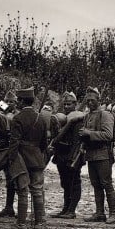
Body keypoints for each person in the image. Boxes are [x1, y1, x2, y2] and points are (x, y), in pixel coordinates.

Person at [7, 87, 48, 229]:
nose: (17, 102)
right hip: (37, 158)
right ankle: (39, 222)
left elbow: (14, 142)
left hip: (21, 158)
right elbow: (44, 143)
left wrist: (11, 159)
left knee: (23, 190)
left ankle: (21, 223)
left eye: (18, 100)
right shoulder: (41, 117)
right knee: (37, 190)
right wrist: (38, 153)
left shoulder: (17, 118)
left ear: (23, 101)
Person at [78, 86, 115, 224]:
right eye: (87, 100)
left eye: (92, 100)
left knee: (107, 184)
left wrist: (89, 134)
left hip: (103, 154)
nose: (89, 103)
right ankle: (100, 213)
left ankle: (113, 214)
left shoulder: (105, 115)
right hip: (91, 154)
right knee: (96, 185)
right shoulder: (88, 115)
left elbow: (108, 135)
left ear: (98, 100)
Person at [48, 91, 85, 219]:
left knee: (74, 182)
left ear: (75, 104)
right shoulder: (64, 118)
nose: (66, 107)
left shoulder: (78, 120)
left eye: (69, 104)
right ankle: (65, 208)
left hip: (72, 156)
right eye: (65, 104)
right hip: (62, 155)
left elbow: (77, 142)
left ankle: (71, 210)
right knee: (65, 183)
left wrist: (73, 159)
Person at [0, 90, 18, 217]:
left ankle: (10, 207)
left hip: (12, 149)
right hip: (3, 147)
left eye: (12, 102)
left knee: (12, 179)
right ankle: (8, 207)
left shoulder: (16, 115)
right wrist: (3, 104)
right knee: (8, 179)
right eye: (7, 101)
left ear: (16, 103)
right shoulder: (3, 112)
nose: (9, 103)